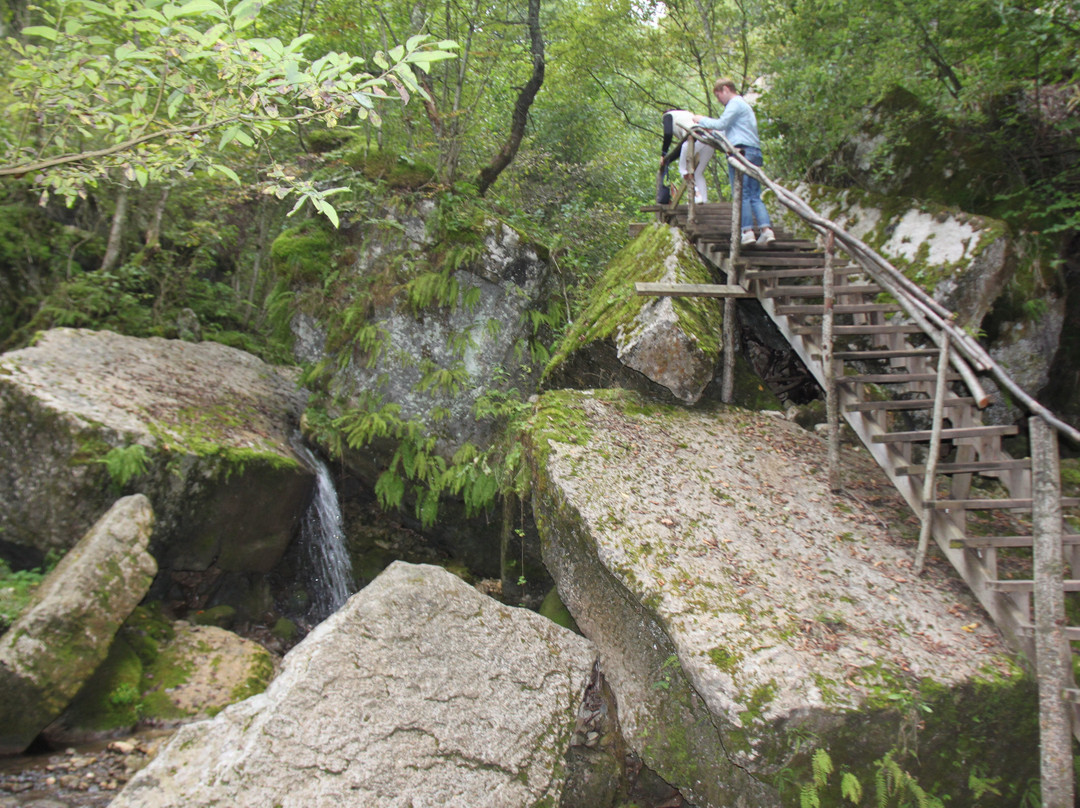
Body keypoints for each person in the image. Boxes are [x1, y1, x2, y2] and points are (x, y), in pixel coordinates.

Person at [693, 79, 775, 248]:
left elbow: (721, 124)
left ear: (725, 89)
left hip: (740, 152)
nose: (719, 101)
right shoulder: (744, 107)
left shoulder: (735, 103)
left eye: (718, 96)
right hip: (754, 152)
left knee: (741, 193)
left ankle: (746, 232)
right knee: (753, 194)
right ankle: (766, 231)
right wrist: (712, 131)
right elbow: (724, 131)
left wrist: (701, 120)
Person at [660, 109, 714, 204]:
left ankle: (696, 193)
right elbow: (681, 150)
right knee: (698, 173)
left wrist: (663, 154)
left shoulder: (668, 116)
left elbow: (667, 134)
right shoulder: (686, 114)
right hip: (709, 140)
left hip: (694, 138)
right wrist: (669, 160)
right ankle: (703, 200)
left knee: (683, 169)